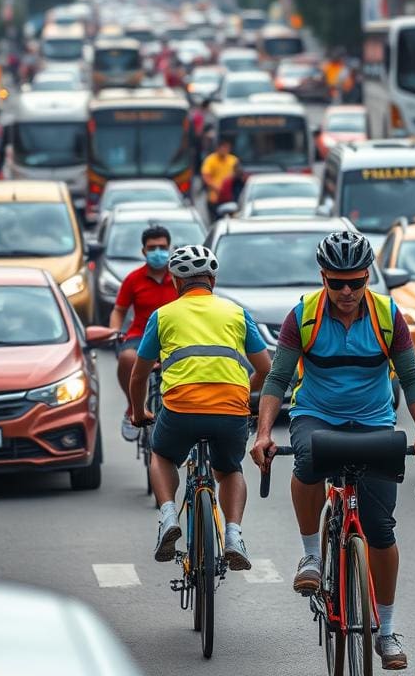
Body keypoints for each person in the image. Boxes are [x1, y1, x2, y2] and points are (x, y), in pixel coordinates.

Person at [251, 231, 415, 671]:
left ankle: (386, 631)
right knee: (310, 459)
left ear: (368, 276)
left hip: (373, 420)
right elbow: (276, 380)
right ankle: (312, 555)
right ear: (323, 278)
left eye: (356, 281)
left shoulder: (388, 316)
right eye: (337, 283)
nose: (347, 292)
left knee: (380, 529)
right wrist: (262, 432)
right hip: (316, 414)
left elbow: (412, 378)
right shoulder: (303, 316)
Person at [129, 245, 272, 570]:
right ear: (212, 279)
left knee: (162, 456)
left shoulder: (163, 315)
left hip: (181, 409)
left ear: (176, 282)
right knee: (230, 470)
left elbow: (139, 375)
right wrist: (240, 393)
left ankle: (167, 517)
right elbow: (265, 369)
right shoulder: (236, 313)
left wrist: (139, 412)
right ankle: (234, 534)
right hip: (231, 409)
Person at [109, 225, 178, 442]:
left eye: (162, 247)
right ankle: (133, 407)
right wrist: (114, 332)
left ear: (170, 248)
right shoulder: (133, 279)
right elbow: (119, 311)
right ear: (143, 251)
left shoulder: (179, 277)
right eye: (152, 247)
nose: (158, 251)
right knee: (127, 358)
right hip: (140, 335)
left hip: (174, 336)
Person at [201, 138, 238, 219]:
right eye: (222, 147)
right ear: (217, 148)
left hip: (230, 198)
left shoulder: (233, 160)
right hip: (215, 198)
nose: (224, 150)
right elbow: (206, 176)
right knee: (216, 220)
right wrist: (217, 188)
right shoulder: (210, 160)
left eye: (226, 147)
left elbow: (238, 175)